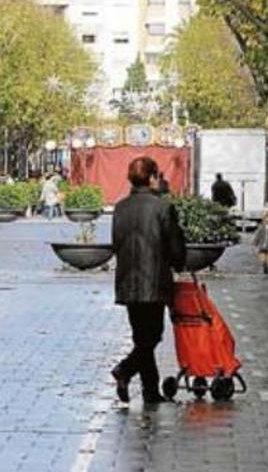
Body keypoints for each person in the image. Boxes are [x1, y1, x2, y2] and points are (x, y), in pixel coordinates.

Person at [111, 157, 186, 404]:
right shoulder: (162, 207)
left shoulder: (120, 208)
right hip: (154, 280)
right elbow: (175, 246)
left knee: (141, 336)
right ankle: (125, 370)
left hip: (127, 279)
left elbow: (116, 243)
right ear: (152, 177)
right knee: (152, 336)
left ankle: (150, 391)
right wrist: (178, 263)